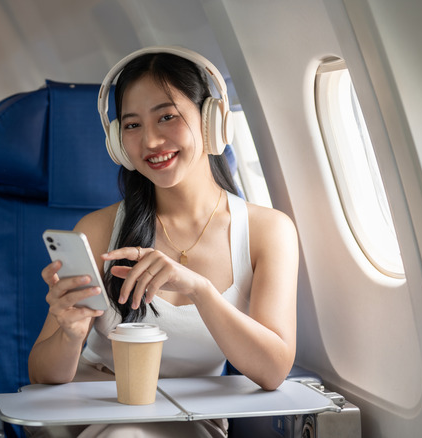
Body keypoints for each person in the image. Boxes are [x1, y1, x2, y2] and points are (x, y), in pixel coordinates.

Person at [27, 46, 299, 437]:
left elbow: (273, 370)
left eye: (167, 117)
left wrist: (200, 290)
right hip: (89, 410)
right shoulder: (98, 229)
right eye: (133, 125)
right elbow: (42, 374)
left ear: (211, 123)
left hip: (189, 419)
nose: (151, 141)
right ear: (119, 142)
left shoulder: (267, 231)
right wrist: (70, 335)